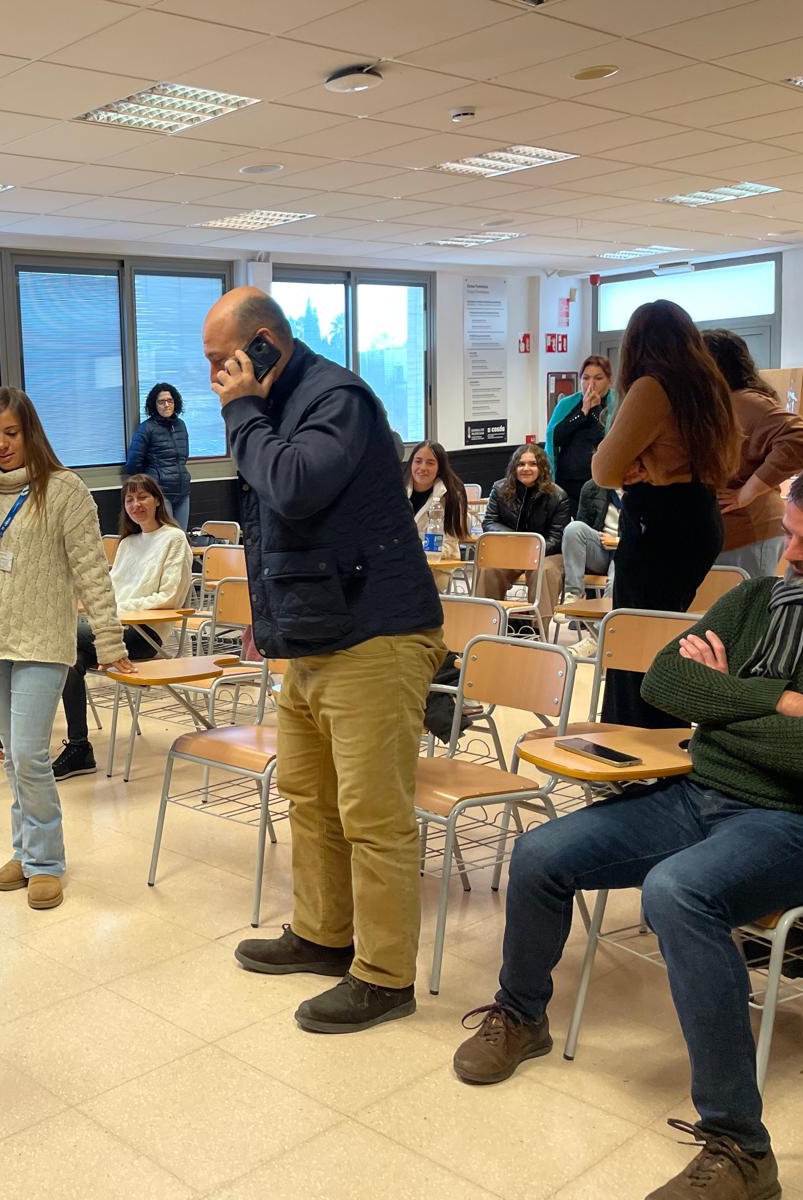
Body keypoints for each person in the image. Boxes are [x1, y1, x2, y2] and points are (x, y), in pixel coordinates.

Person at [451, 451, 803, 1200]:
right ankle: (520, 1014)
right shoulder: (758, 600)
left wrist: (724, 703)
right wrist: (777, 703)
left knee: (678, 894)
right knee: (540, 854)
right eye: (790, 534)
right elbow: (665, 682)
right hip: (702, 794)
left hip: (802, 824)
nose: (791, 554)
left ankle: (740, 1148)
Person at [206, 286, 445, 1033]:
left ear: (265, 342)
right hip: (313, 636)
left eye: (224, 360)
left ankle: (383, 976)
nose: (216, 375)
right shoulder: (277, 406)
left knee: (373, 816)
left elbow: (295, 486)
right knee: (311, 798)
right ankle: (322, 933)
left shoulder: (335, 396)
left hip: (375, 633)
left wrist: (241, 409)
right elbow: (273, 525)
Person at [0, 387, 130, 911]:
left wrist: (109, 642)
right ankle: (24, 851)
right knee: (8, 755)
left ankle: (46, 861)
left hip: (44, 639)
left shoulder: (65, 490)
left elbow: (92, 569)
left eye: (11, 434)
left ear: (31, 433)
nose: (0, 445)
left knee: (28, 753)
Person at [593, 300, 737, 727]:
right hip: (699, 518)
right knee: (663, 639)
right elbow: (710, 460)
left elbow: (603, 469)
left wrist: (643, 467)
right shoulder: (710, 386)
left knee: (637, 644)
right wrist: (650, 465)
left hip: (657, 525)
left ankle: (635, 753)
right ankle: (657, 748)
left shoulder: (652, 387)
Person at [53, 474, 192, 781]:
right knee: (69, 657)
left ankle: (4, 730)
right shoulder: (128, 543)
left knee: (60, 633)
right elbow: (110, 589)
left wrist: (112, 616)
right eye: (129, 499)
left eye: (142, 497)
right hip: (113, 629)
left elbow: (169, 598)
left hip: (145, 634)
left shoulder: (174, 539)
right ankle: (79, 748)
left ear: (157, 500)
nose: (136, 504)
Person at [704, 328, 803, 579]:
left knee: (749, 611)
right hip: (731, 533)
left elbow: (802, 439)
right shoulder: (722, 403)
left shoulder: (747, 402)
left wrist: (747, 492)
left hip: (748, 531)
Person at [478, 443, 570, 630]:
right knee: (488, 569)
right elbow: (489, 523)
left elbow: (558, 537)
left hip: (547, 554)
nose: (526, 469)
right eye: (521, 464)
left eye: (532, 464)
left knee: (545, 572)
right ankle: (485, 626)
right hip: (510, 551)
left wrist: (532, 550)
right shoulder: (499, 489)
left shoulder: (558, 495)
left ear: (542, 467)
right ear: (514, 467)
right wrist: (519, 542)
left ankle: (537, 630)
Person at [561, 479, 623, 658]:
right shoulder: (591, 487)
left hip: (627, 551)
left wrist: (619, 542)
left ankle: (596, 637)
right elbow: (584, 525)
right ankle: (574, 594)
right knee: (574, 528)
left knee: (618, 575)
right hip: (600, 549)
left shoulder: (646, 487)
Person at [545, 355, 619, 501]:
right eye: (586, 378)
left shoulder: (617, 404)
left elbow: (607, 440)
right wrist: (583, 412)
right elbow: (555, 437)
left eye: (598, 378)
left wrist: (596, 410)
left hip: (600, 484)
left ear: (609, 381)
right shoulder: (567, 404)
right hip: (567, 483)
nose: (591, 384)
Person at [126, 383, 192, 531]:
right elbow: (133, 464)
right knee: (165, 538)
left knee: (182, 537)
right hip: (161, 493)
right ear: (154, 405)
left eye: (170, 400)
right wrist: (150, 483)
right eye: (161, 402)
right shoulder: (146, 428)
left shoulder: (181, 425)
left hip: (183, 491)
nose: (166, 405)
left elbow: (183, 458)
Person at [406, 440, 469, 590]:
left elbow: (449, 543)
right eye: (418, 461)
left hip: (438, 565)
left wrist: (416, 552)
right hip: (402, 562)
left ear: (440, 468)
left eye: (430, 463)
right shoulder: (397, 491)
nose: (422, 468)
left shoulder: (453, 495)